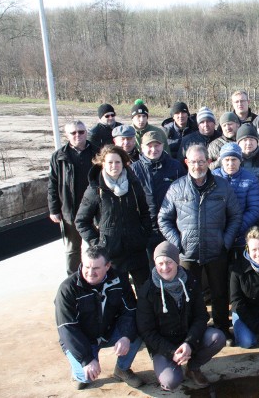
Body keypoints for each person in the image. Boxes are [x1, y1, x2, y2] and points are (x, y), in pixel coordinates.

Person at [158, 144, 242, 345]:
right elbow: (164, 219)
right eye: (193, 162)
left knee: (220, 292)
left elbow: (235, 215)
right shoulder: (177, 188)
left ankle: (222, 327)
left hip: (216, 250)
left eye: (201, 161)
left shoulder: (222, 186)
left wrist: (226, 241)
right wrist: (177, 244)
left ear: (209, 162)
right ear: (186, 163)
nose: (198, 166)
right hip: (188, 254)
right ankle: (194, 331)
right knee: (190, 294)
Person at [137, 241, 226, 391]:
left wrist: (189, 343)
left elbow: (201, 316)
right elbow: (147, 331)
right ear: (154, 264)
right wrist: (172, 352)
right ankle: (169, 366)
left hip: (187, 337)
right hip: (164, 345)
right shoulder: (147, 291)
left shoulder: (190, 281)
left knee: (218, 338)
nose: (165, 268)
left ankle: (193, 368)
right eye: (160, 263)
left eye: (169, 262)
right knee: (170, 382)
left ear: (177, 262)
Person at [55, 246, 144, 390]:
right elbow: (67, 328)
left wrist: (126, 336)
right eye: (86, 266)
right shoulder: (68, 289)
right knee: (85, 376)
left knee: (139, 329)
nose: (90, 272)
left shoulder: (119, 279)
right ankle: (80, 370)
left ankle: (122, 369)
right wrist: (87, 359)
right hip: (83, 338)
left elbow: (130, 310)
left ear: (108, 266)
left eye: (96, 268)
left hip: (109, 332)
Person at [75, 145, 152, 290]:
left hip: (136, 249)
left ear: (123, 163)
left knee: (146, 291)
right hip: (112, 253)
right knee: (120, 294)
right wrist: (98, 242)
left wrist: (144, 234)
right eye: (110, 162)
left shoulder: (134, 185)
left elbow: (145, 212)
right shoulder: (95, 189)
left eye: (117, 162)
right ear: (103, 163)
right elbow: (81, 221)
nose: (114, 166)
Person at [48, 120, 98, 275]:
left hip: (95, 210)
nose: (78, 135)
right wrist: (54, 209)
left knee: (95, 247)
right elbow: (52, 184)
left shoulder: (97, 153)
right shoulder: (59, 157)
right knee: (72, 249)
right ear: (66, 135)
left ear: (86, 133)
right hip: (70, 210)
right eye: (73, 132)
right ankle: (73, 278)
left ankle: (97, 275)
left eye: (81, 132)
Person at [131, 131, 185, 268]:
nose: (153, 149)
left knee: (173, 267)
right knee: (152, 268)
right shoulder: (133, 170)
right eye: (149, 146)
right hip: (147, 229)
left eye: (157, 145)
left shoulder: (176, 167)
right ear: (142, 147)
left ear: (163, 146)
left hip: (172, 227)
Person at [213, 142, 259, 255]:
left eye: (234, 159)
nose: (230, 163)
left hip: (241, 234)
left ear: (240, 160)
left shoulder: (250, 179)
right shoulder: (212, 178)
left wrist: (235, 229)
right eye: (227, 160)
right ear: (221, 161)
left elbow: (254, 209)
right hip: (217, 235)